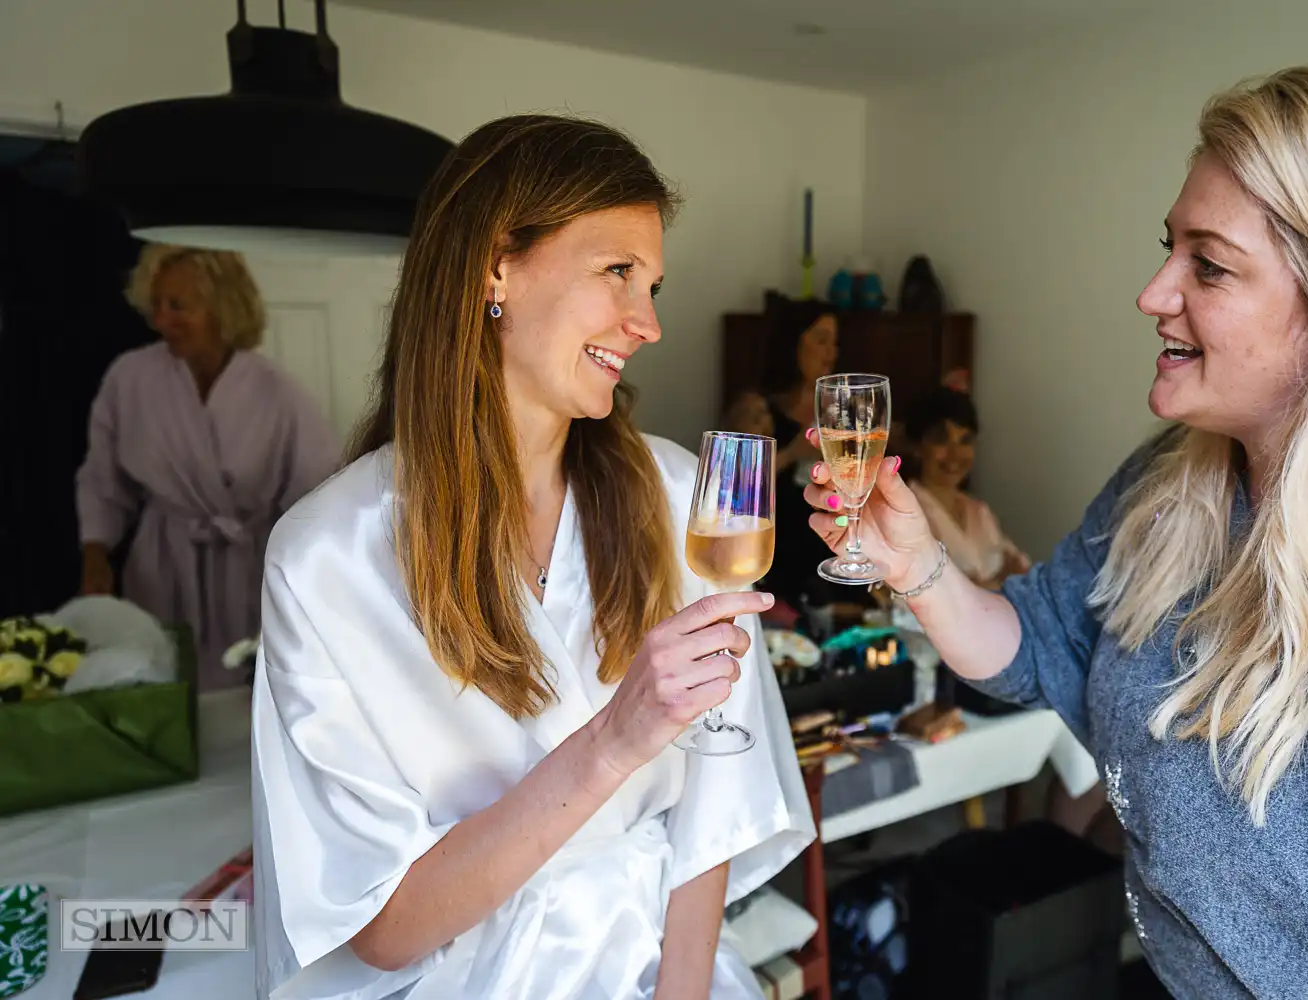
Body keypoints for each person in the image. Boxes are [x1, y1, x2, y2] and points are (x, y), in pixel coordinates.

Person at [804, 61, 1308, 996]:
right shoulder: (1175, 480)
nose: (1153, 292)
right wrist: (921, 566)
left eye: (1208, 265)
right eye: (1169, 247)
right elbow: (1040, 645)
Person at [251, 115, 814, 1000]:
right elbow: (382, 930)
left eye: (654, 283)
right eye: (618, 272)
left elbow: (716, 798)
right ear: (495, 265)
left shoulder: (680, 497)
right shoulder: (327, 558)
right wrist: (613, 744)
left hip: (662, 966)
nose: (649, 323)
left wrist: (681, 993)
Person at [75, 245, 337, 689]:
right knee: (161, 684)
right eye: (155, 305)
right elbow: (103, 478)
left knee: (245, 697)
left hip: (247, 572)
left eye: (178, 306)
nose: (162, 321)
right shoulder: (129, 380)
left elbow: (317, 499)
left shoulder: (278, 394)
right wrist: (95, 553)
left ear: (222, 306)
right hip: (160, 566)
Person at [905, 387, 1030, 590]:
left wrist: (980, 584)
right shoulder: (905, 511)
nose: (955, 454)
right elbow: (932, 591)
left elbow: (1024, 575)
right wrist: (998, 582)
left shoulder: (980, 512)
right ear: (918, 447)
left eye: (965, 441)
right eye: (941, 440)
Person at [759, 299, 841, 604]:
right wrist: (792, 452)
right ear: (793, 344)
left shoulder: (839, 413)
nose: (831, 352)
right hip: (779, 567)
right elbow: (734, 490)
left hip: (834, 555)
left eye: (835, 343)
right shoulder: (759, 410)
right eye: (821, 340)